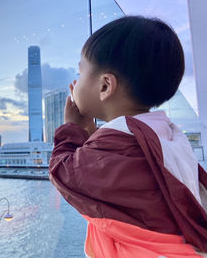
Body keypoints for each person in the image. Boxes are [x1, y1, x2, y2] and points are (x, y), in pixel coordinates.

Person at [49, 16, 207, 258]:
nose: (75, 82)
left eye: (80, 72)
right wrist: (91, 135)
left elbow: (65, 174)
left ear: (105, 86)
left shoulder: (120, 145)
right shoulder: (164, 133)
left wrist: (72, 129)